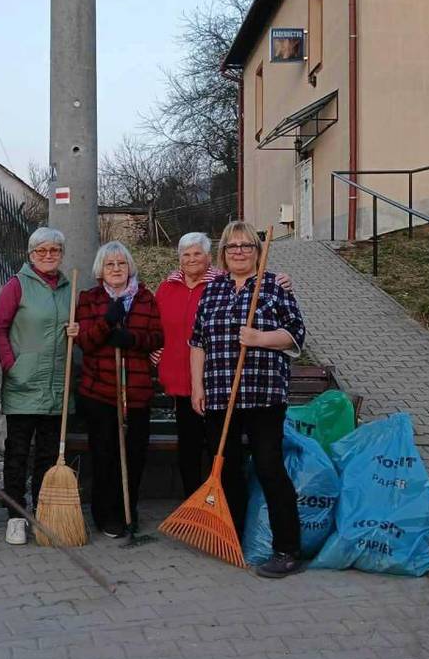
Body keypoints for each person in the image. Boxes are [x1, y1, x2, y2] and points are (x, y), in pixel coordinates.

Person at [190, 221, 306, 578]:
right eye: (231, 246)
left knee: (270, 468)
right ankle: (233, 537)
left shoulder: (273, 286)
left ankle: (287, 549)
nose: (239, 251)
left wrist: (261, 338)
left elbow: (296, 335)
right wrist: (198, 387)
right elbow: (197, 342)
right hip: (221, 393)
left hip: (263, 393)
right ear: (223, 254)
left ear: (258, 251)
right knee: (227, 469)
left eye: (246, 246)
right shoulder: (212, 291)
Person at [152, 233, 293, 498]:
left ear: (209, 257)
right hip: (185, 382)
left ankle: (222, 506)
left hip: (222, 383)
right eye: (186, 254)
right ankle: (195, 506)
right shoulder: (167, 287)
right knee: (190, 449)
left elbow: (290, 328)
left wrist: (281, 281)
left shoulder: (218, 284)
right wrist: (154, 350)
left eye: (197, 254)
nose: (191, 259)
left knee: (226, 454)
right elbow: (155, 325)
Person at [0, 227, 78, 546]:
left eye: (54, 250)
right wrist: (11, 365)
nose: (47, 256)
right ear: (30, 255)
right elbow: (0, 328)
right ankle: (15, 516)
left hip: (57, 384)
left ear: (61, 254)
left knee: (48, 454)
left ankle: (44, 514)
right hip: (24, 383)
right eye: (41, 251)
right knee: (17, 453)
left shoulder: (69, 287)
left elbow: (71, 329)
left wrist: (76, 331)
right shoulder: (16, 286)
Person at [75, 241, 163, 537]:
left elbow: (156, 336)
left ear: (129, 268)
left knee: (134, 456)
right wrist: (106, 324)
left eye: (121, 264)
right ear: (101, 269)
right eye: (110, 264)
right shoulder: (89, 299)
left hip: (135, 393)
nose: (116, 269)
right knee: (105, 455)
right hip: (99, 393)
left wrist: (131, 338)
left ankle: (128, 507)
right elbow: (84, 341)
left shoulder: (145, 299)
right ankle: (106, 513)